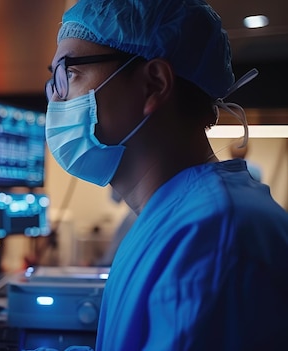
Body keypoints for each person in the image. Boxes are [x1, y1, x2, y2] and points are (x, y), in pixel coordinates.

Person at [44, 0, 288, 350]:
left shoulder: (212, 238)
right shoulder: (172, 218)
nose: (56, 98)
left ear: (154, 84)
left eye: (68, 74)